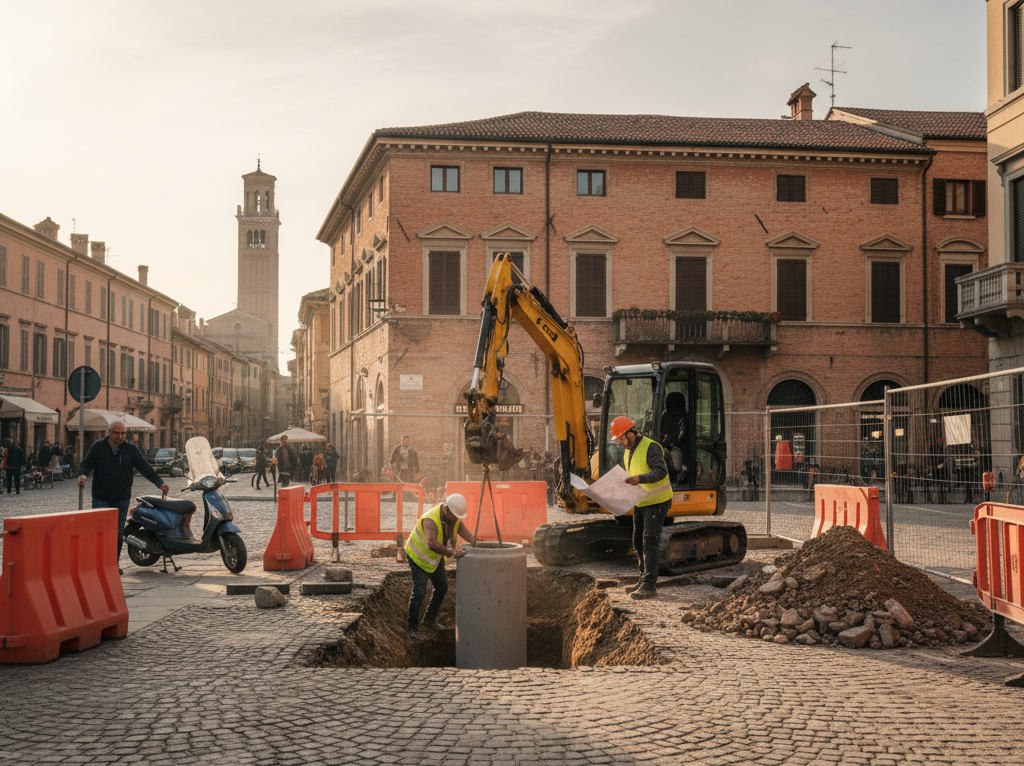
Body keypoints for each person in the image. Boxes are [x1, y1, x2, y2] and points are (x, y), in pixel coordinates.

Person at [77, 421, 169, 573]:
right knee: (99, 531)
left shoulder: (131, 449)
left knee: (118, 532)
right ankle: (98, 564)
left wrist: (160, 483)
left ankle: (114, 564)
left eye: (123, 433)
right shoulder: (98, 447)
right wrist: (83, 474)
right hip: (101, 496)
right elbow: (86, 463)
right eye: (116, 433)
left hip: (121, 497)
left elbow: (145, 467)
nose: (120, 436)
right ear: (109, 432)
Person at [610, 415, 673, 601]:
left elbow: (661, 472)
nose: (621, 443)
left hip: (657, 501)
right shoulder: (629, 450)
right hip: (642, 500)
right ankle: (643, 579)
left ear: (631, 433)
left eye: (622, 438)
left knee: (649, 543)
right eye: (618, 440)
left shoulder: (651, 447)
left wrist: (639, 479)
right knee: (638, 541)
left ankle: (649, 586)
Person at [404, 493, 476, 640]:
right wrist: (452, 552)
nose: (456, 519)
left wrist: (476, 542)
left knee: (442, 587)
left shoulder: (453, 517)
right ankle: (412, 628)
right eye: (454, 516)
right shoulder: (431, 520)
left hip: (433, 557)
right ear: (446, 509)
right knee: (419, 592)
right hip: (418, 556)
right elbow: (431, 543)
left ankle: (429, 619)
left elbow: (462, 530)